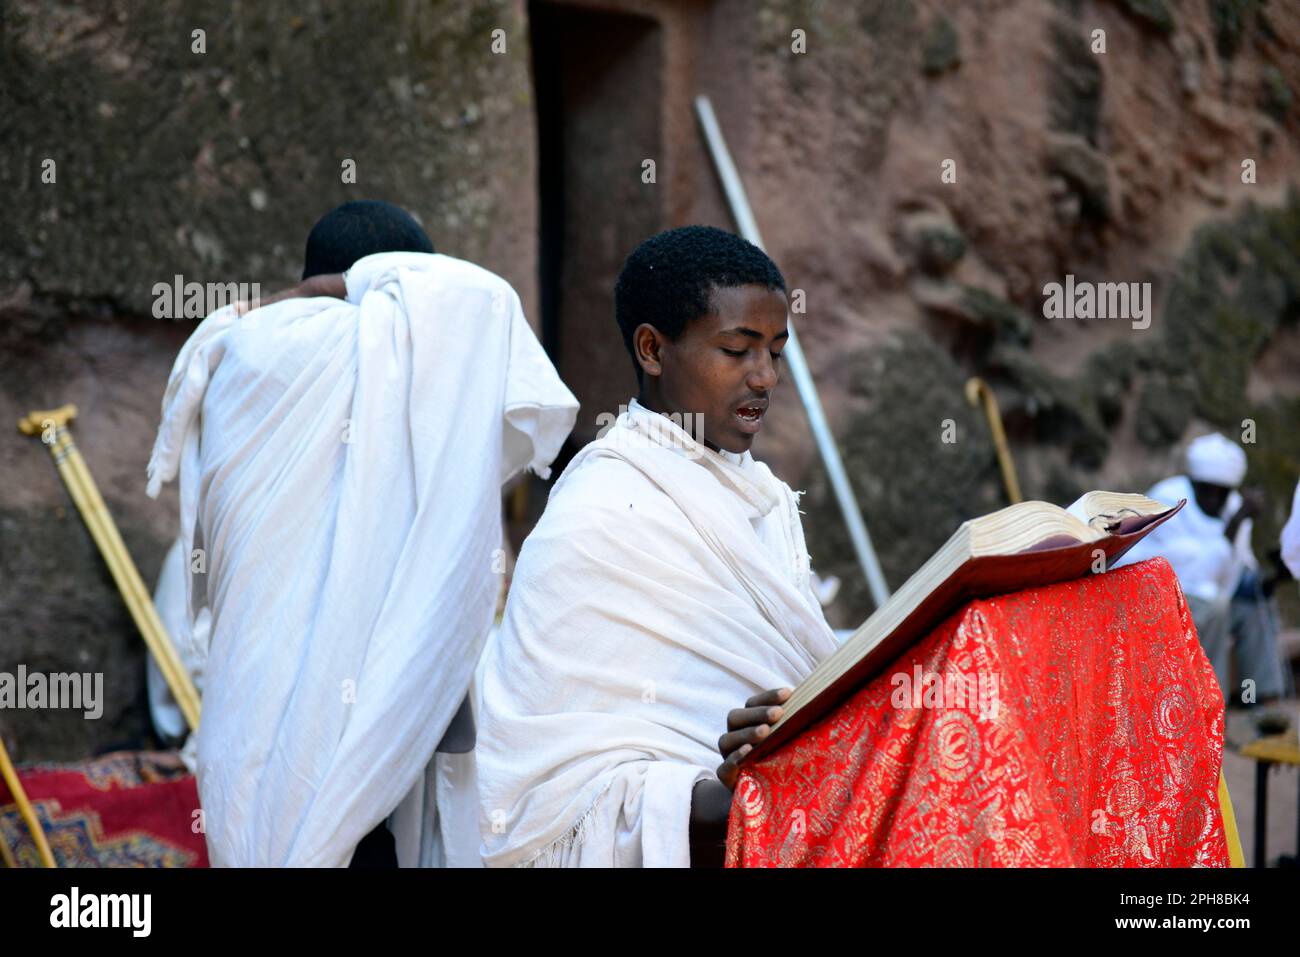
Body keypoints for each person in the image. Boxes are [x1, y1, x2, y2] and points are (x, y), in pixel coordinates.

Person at [146, 200, 578, 866]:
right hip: (377, 716)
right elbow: (482, 298)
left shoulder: (241, 345)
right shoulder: (373, 347)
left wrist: (322, 287)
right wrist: (347, 290)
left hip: (253, 715)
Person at [475, 225, 839, 867]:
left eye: (776, 353)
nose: (764, 378)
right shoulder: (600, 508)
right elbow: (546, 794)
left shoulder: (769, 499)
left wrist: (790, 736)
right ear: (651, 349)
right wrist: (719, 790)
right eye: (737, 350)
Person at [1118, 433, 1287, 718]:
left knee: (1254, 606)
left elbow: (1234, 572)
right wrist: (1234, 523)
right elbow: (1189, 572)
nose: (1216, 499)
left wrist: (1272, 578)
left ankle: (1265, 702)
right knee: (1217, 607)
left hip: (1213, 600)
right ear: (1194, 484)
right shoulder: (1169, 498)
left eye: (1222, 492)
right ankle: (1208, 705)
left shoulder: (1232, 505)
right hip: (1163, 601)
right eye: (1208, 491)